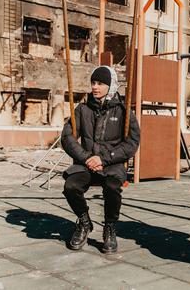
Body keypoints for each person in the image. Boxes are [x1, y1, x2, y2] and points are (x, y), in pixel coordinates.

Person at [61, 65, 140, 254]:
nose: (95, 87)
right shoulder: (82, 109)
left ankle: (110, 227)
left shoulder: (123, 111)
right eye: (93, 83)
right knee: (70, 187)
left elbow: (132, 143)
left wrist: (104, 159)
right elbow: (67, 137)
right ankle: (84, 222)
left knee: (113, 188)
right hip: (85, 164)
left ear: (111, 85)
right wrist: (87, 158)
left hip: (111, 165)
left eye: (100, 83)